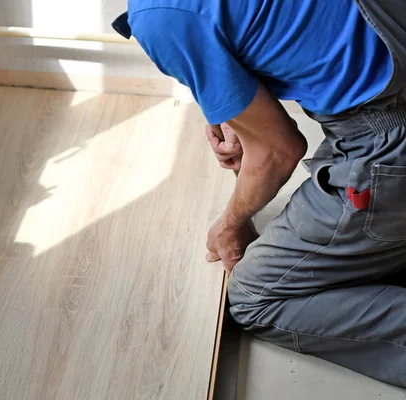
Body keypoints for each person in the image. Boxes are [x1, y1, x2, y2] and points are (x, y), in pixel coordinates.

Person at [114, 0, 406, 388]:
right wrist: (234, 112)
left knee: (255, 297)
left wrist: (231, 223)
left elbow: (278, 151)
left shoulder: (162, 16)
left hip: (388, 148)